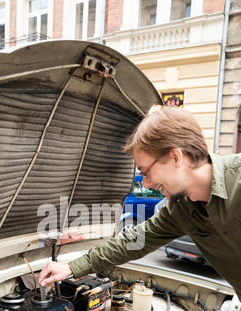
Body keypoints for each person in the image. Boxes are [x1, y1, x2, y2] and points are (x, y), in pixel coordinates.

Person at [39, 106, 241, 300]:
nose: (146, 183)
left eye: (145, 172)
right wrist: (72, 268)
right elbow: (133, 241)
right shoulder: (180, 211)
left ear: (175, 157)